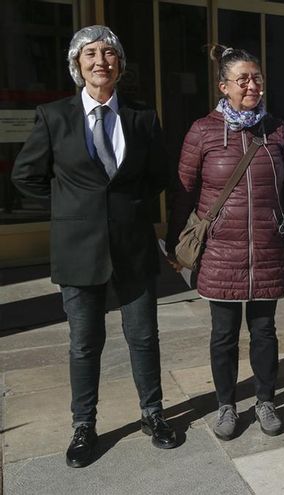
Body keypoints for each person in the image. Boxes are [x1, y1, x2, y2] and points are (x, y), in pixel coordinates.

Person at [12, 25, 177, 468]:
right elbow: (24, 176)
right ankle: (83, 426)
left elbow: (160, 174)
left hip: (133, 247)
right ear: (76, 64)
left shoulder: (142, 116)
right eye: (90, 54)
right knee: (85, 343)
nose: (100, 60)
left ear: (120, 65)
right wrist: (69, 207)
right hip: (78, 249)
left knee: (144, 338)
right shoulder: (54, 116)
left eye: (109, 53)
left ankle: (153, 414)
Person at [165, 45, 284, 441]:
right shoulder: (203, 131)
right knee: (224, 335)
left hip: (266, 246)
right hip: (219, 250)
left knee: (264, 331)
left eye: (257, 78)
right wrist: (174, 244)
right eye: (243, 79)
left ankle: (266, 400)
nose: (252, 85)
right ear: (223, 86)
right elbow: (183, 191)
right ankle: (226, 405)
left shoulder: (277, 129)